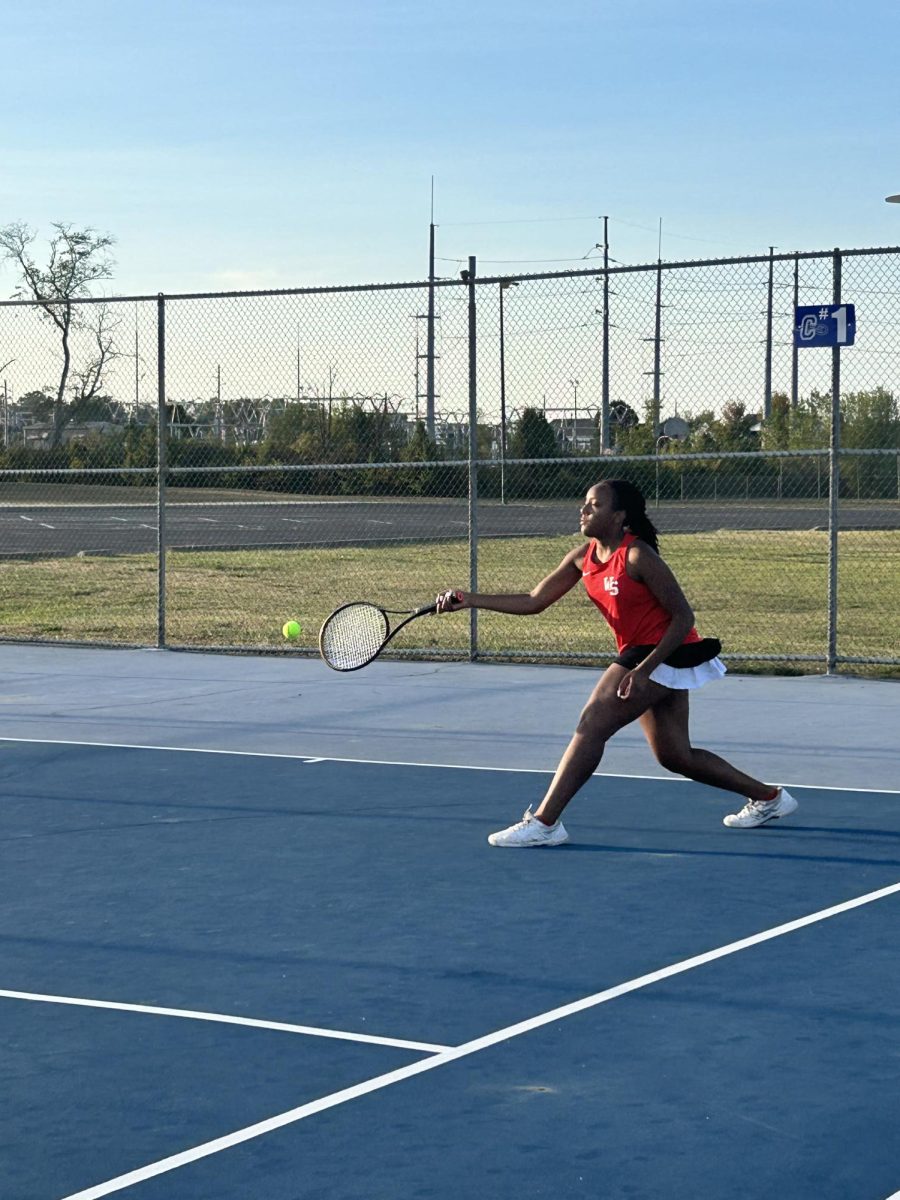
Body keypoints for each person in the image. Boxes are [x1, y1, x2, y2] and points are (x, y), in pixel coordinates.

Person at [436, 478, 797, 847]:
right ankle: (770, 798)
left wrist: (645, 670)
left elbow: (683, 618)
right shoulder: (583, 557)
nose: (584, 510)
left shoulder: (638, 556)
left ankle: (544, 823)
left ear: (620, 516)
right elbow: (534, 600)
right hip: (645, 654)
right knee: (675, 756)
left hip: (664, 651)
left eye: (595, 505)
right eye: (584, 503)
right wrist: (470, 599)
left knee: (592, 724)